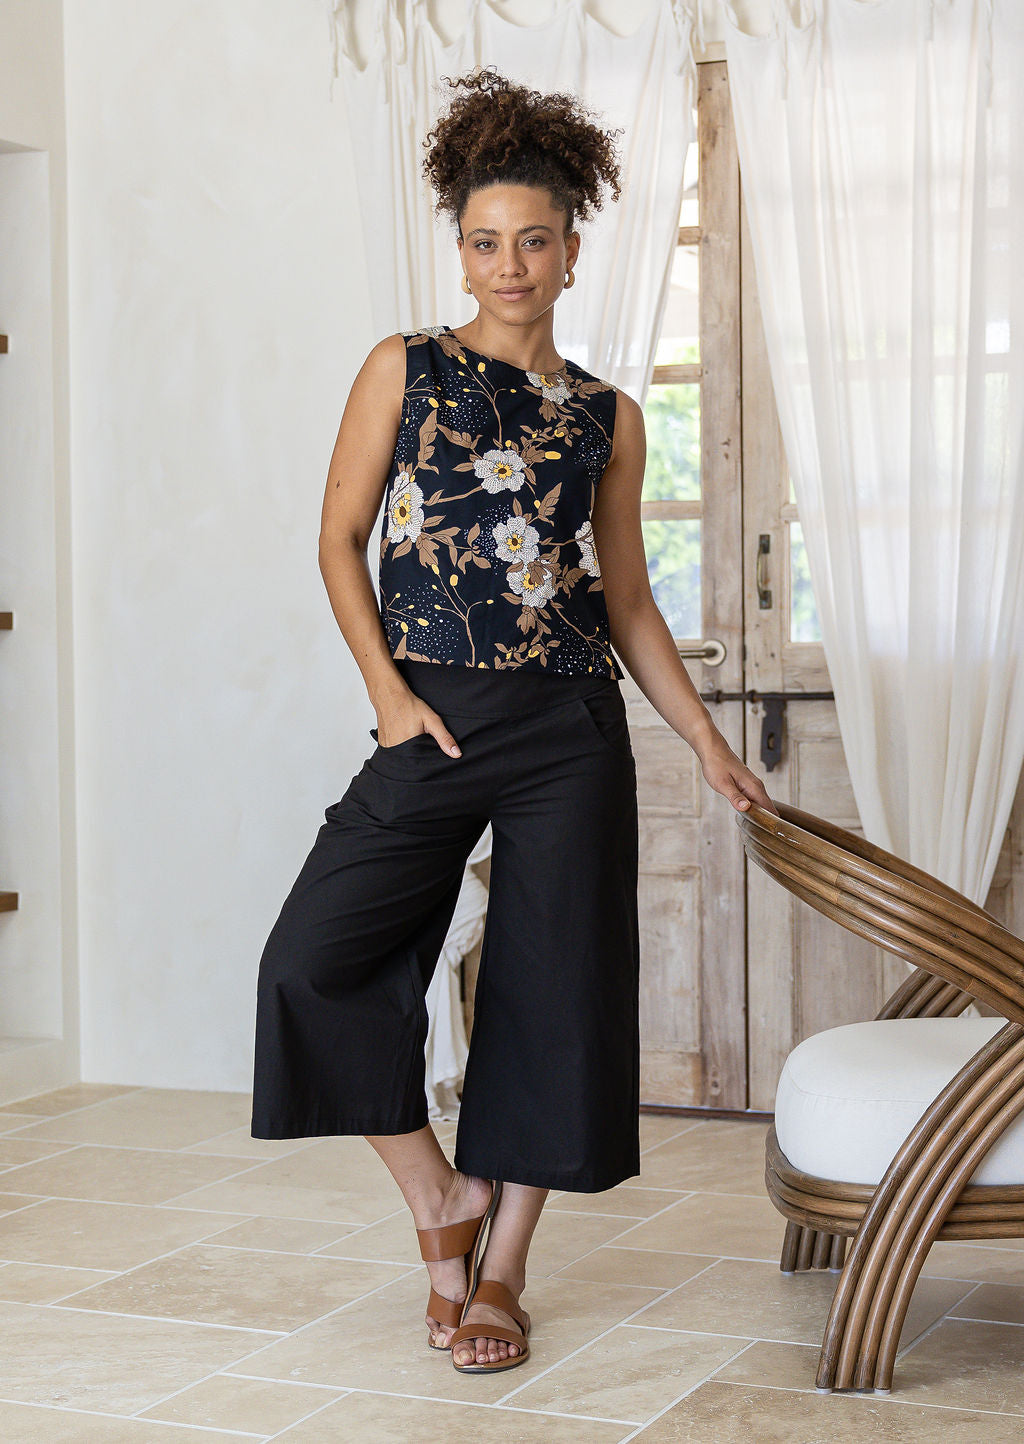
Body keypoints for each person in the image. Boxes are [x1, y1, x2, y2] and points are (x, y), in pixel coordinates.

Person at [251, 66, 774, 1376]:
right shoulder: (405, 369)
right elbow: (337, 538)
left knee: (552, 992)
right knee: (310, 961)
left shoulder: (606, 418)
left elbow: (628, 602)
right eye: (486, 243)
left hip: (567, 730)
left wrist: (706, 742)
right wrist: (388, 697)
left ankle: (503, 1274)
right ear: (462, 250)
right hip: (429, 711)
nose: (509, 266)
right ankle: (443, 1200)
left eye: (533, 241)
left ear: (572, 251)